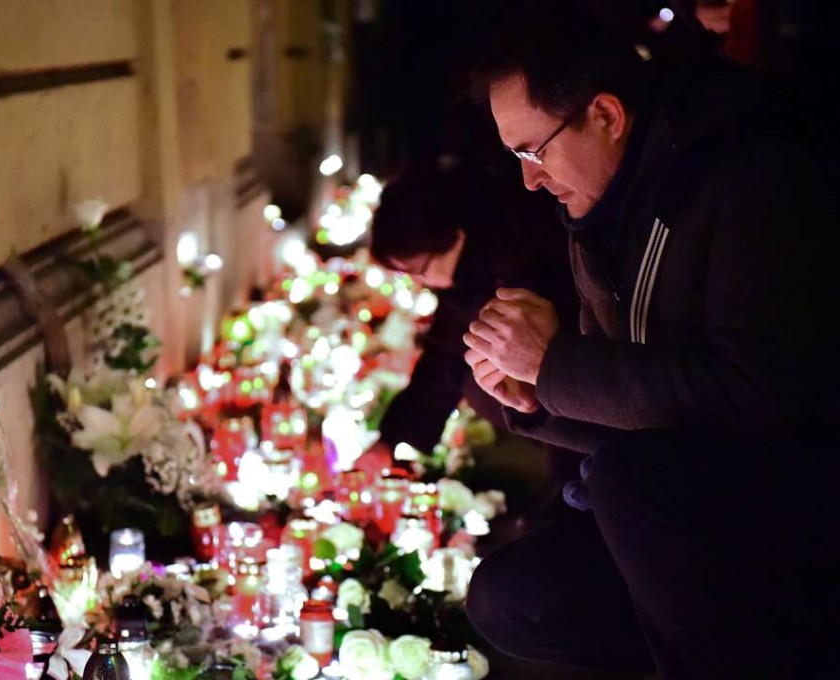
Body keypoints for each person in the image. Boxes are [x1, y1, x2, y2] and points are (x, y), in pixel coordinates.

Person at [460, 1, 840, 677]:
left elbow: (759, 395)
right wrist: (539, 397)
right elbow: (636, 413)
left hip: (793, 502)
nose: (529, 179)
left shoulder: (746, 179)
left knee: (632, 482)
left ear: (606, 114)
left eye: (533, 150)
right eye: (514, 155)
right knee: (511, 598)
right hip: (685, 497)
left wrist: (558, 363)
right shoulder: (598, 211)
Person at [355, 160, 581, 498]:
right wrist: (390, 440)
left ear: (453, 238)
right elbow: (442, 356)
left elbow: (451, 356)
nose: (421, 282)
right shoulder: (472, 272)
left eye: (419, 270)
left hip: (581, 404)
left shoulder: (519, 262)